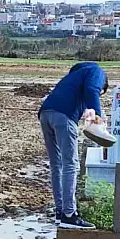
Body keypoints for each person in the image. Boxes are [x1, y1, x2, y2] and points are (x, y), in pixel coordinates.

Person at [38, 62, 109, 229]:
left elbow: (83, 99)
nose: (99, 93)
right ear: (104, 83)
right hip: (63, 116)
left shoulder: (74, 76)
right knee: (71, 165)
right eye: (102, 92)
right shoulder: (97, 71)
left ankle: (60, 211)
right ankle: (69, 215)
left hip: (45, 114)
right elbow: (92, 91)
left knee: (57, 165)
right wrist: (97, 114)